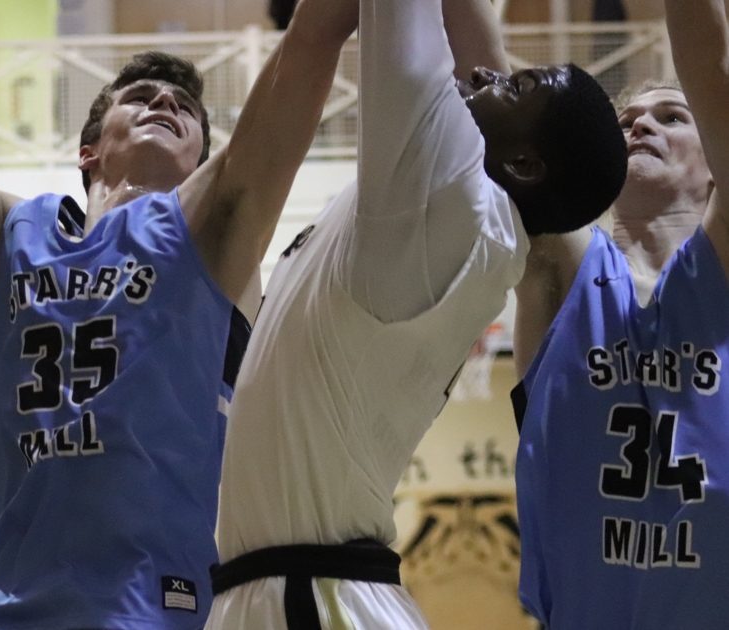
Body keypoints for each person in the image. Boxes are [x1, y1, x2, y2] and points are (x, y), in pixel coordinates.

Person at [0, 0, 356, 627]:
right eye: (140, 96)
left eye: (185, 108)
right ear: (88, 151)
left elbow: (311, 44)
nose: (165, 104)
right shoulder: (13, 235)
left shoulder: (215, 224)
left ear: (197, 158)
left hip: (149, 606)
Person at [205, 0, 627, 627]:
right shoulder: (458, 211)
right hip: (303, 593)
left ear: (524, 166)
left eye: (517, 86)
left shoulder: (448, 201)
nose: (488, 74)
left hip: (310, 596)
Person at [511, 0, 729, 628]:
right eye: (625, 120)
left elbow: (708, 59)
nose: (640, 126)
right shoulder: (563, 261)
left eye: (671, 116)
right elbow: (494, 99)